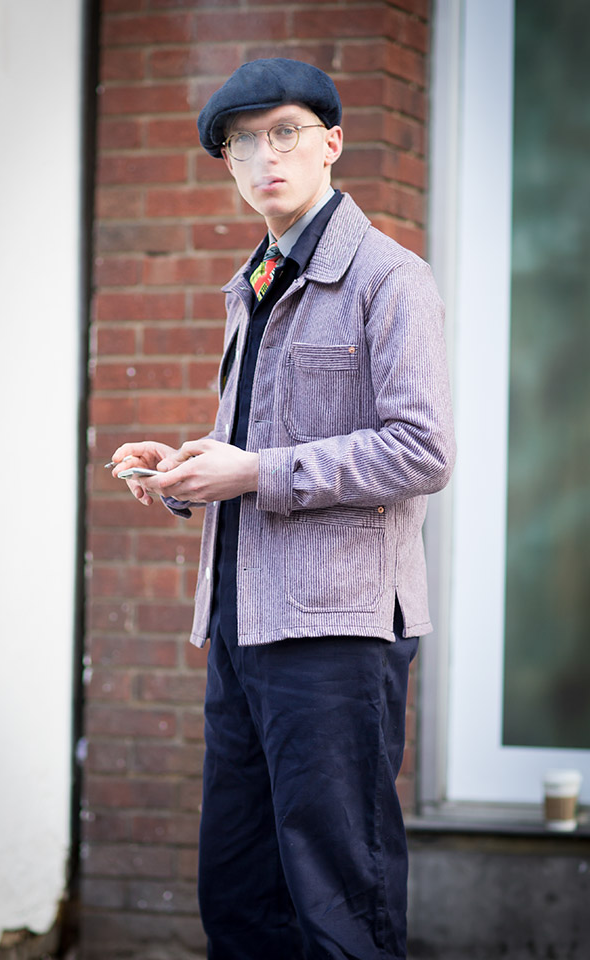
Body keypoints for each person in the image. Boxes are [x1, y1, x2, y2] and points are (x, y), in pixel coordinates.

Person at [109, 58, 455, 960]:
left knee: (341, 907)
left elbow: (422, 450)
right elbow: (254, 451)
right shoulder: (252, 283)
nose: (265, 155)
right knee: (239, 898)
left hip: (337, 635)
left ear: (331, 143)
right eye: (242, 142)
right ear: (228, 163)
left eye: (286, 133)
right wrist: (184, 470)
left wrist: (255, 471)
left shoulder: (390, 279)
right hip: (241, 625)